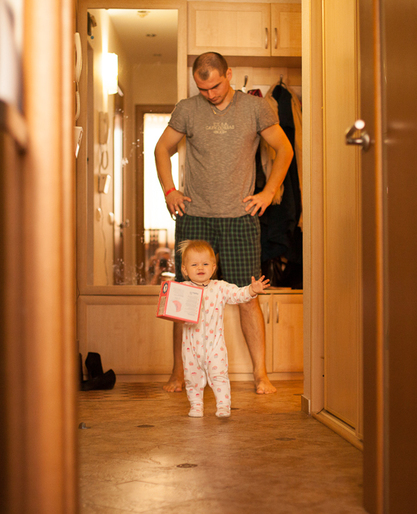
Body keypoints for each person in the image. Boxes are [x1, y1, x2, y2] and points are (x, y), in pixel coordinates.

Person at [154, 52, 294, 395]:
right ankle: (178, 373)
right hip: (195, 218)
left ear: (228, 74)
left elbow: (285, 150)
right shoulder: (187, 109)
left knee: (248, 297)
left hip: (239, 219)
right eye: (203, 89)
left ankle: (261, 375)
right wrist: (170, 191)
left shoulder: (256, 108)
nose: (210, 94)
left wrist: (269, 192)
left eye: (215, 86)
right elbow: (161, 149)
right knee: (184, 298)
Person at [176, 240, 271, 417]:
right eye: (194, 265)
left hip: (215, 346)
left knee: (219, 375)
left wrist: (252, 290)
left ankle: (223, 405)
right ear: (185, 270)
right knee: (192, 378)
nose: (200, 268)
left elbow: (239, 294)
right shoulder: (183, 290)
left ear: (213, 268)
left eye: (205, 264)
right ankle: (196, 406)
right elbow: (171, 307)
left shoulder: (220, 287)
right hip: (191, 348)